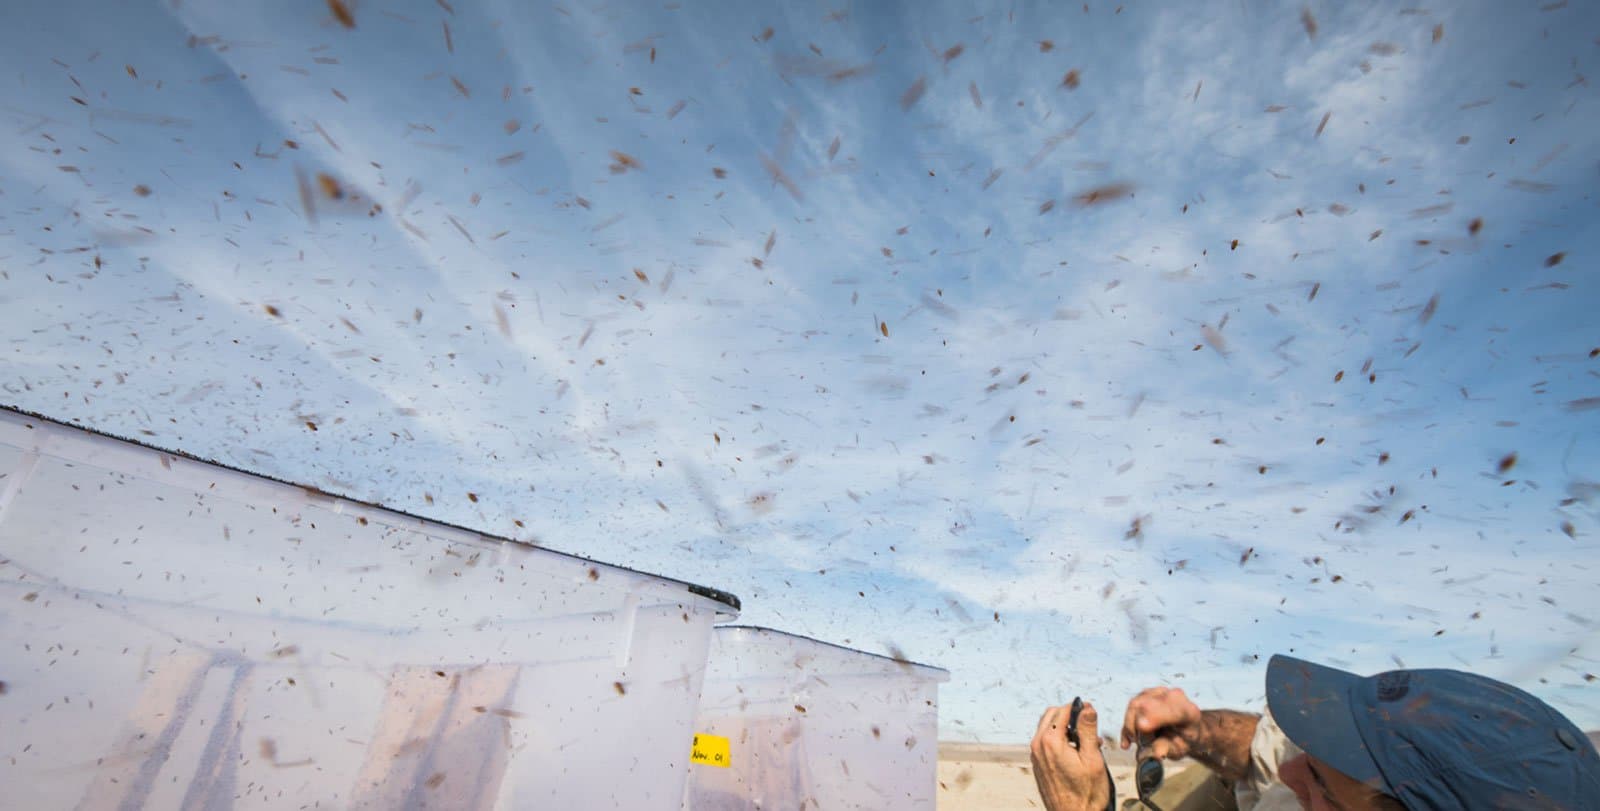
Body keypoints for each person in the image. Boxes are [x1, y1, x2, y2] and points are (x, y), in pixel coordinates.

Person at [1031, 653, 1600, 810]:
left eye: (1323, 787)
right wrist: (1199, 731)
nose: (1290, 772)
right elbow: (1268, 751)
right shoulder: (1341, 783)